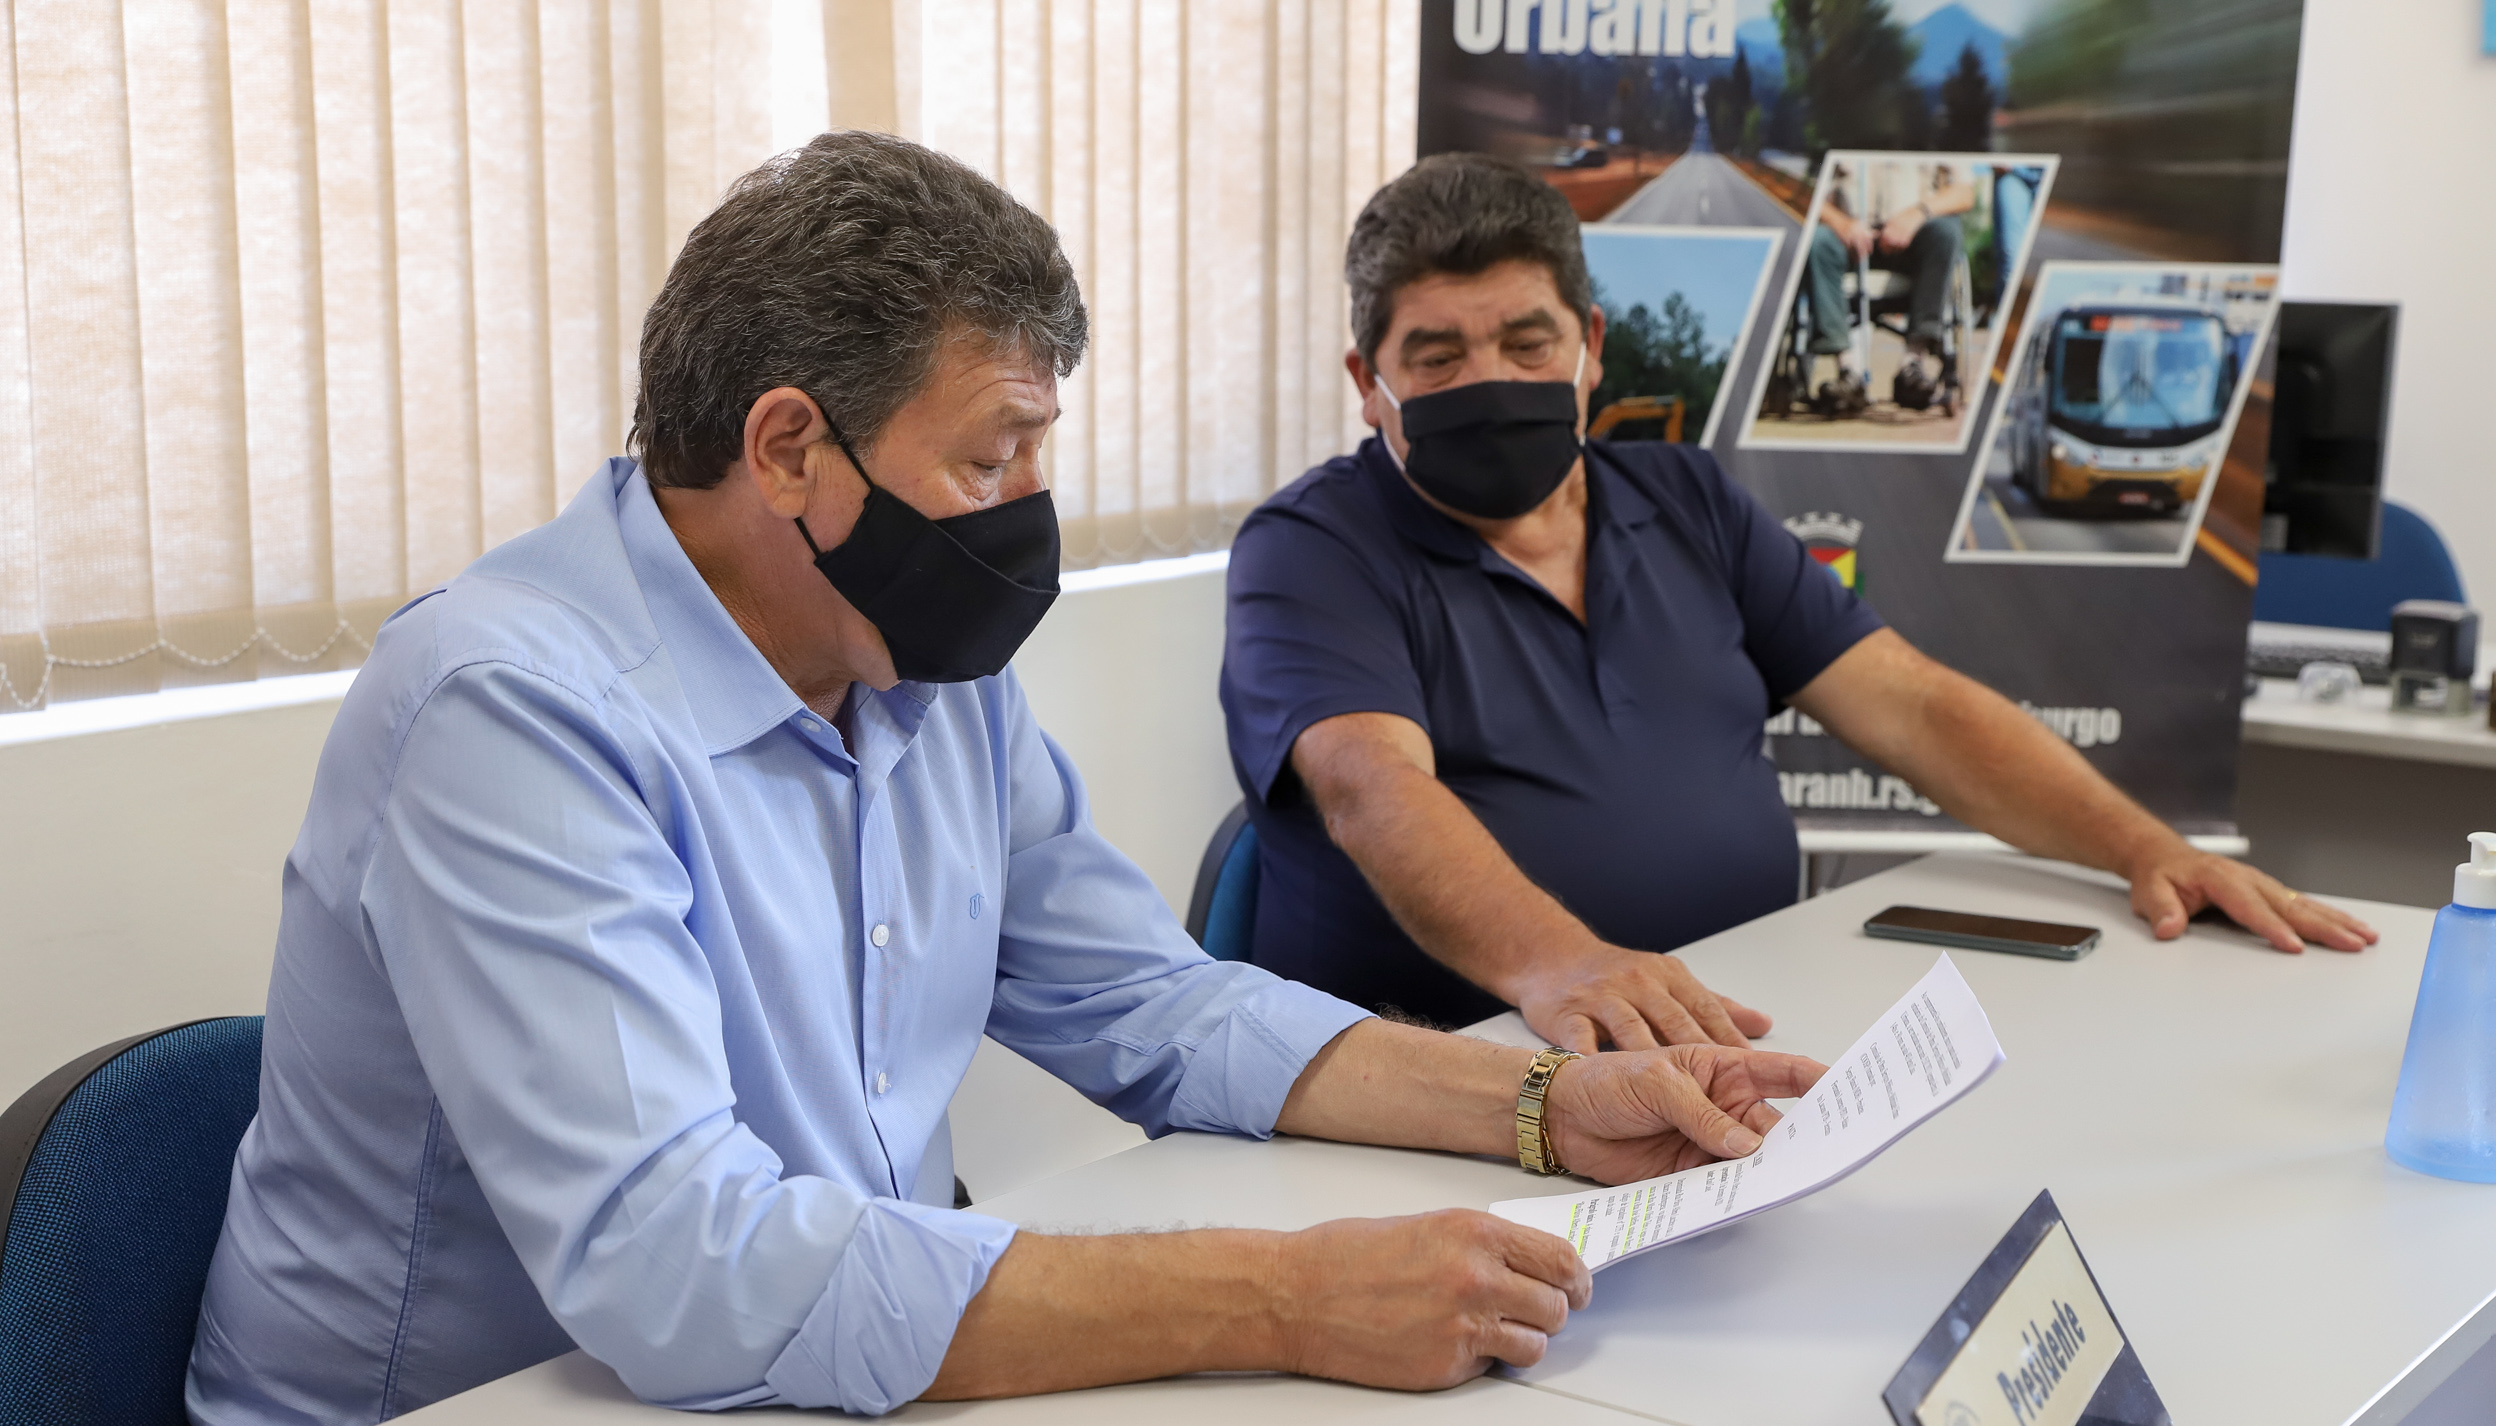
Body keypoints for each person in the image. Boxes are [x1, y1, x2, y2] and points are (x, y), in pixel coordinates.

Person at [184, 133, 1826, 1425]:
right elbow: (678, 1265)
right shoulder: (510, 708)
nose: (1031, 508)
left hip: (807, 1372)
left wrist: (1536, 1106)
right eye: (992, 454)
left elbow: (1155, 1006)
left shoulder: (918, 667)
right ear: (787, 449)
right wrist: (1290, 1296)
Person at [1219, 152, 2375, 1054]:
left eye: (1528, 342)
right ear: (1369, 383)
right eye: (1437, 358)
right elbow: (1375, 790)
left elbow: (1912, 707)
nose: (1491, 382)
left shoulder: (1684, 500)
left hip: (1726, 1033)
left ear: (1591, 348)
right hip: (1447, 1078)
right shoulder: (1311, 549)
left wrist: (2146, 848)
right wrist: (1562, 965)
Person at [1801, 160, 1971, 412]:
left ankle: (1911, 365)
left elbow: (1965, 193)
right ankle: (1848, 371)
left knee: (1947, 232)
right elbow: (1802, 192)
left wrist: (1916, 214)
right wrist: (1841, 223)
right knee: (1817, 240)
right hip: (1850, 240)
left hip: (1914, 237)